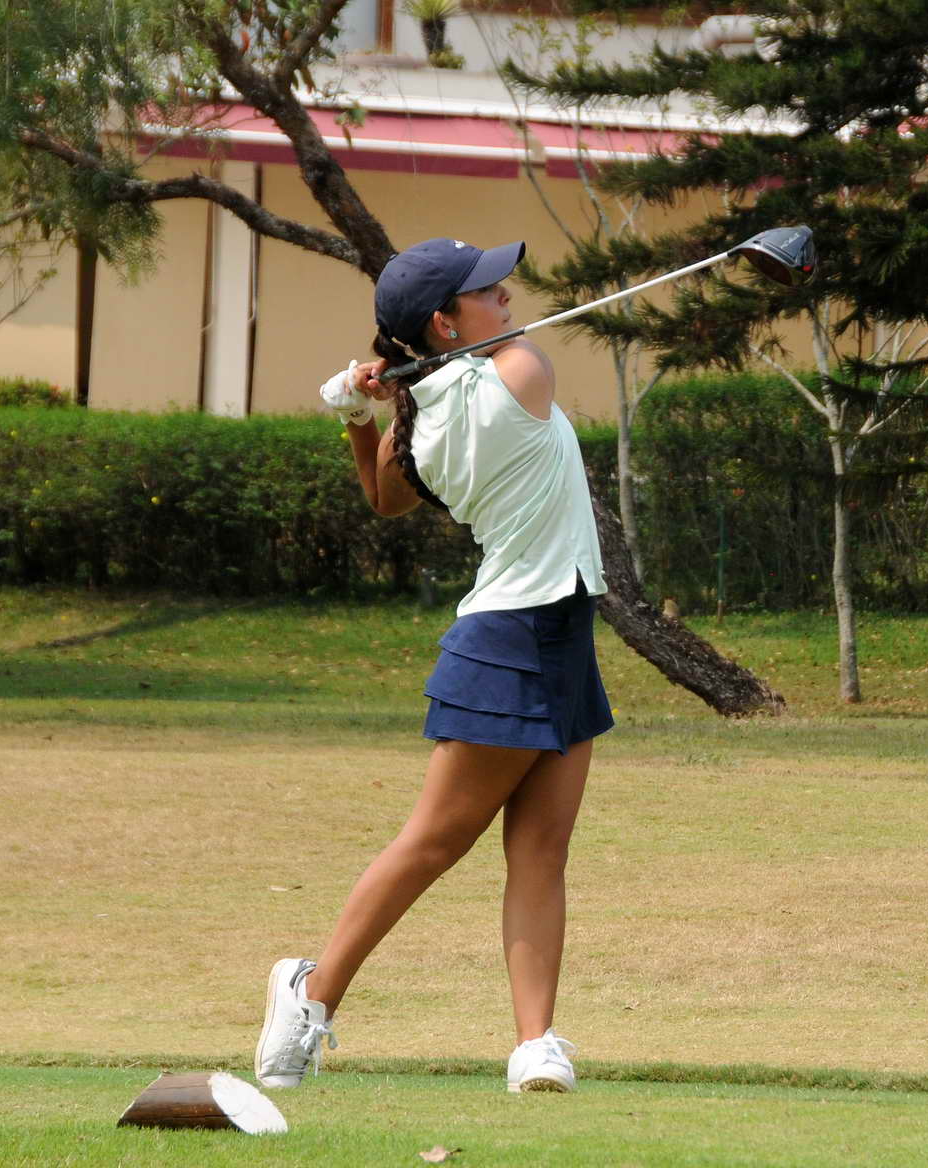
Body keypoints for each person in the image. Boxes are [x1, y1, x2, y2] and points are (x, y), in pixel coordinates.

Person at [253, 237, 613, 1095]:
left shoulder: (423, 419)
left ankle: (535, 1044)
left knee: (541, 850)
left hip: (559, 629)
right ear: (445, 322)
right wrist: (401, 382)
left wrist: (358, 412)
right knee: (434, 843)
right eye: (486, 290)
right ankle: (309, 994)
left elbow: (384, 496)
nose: (507, 295)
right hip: (512, 639)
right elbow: (511, 355)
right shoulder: (515, 375)